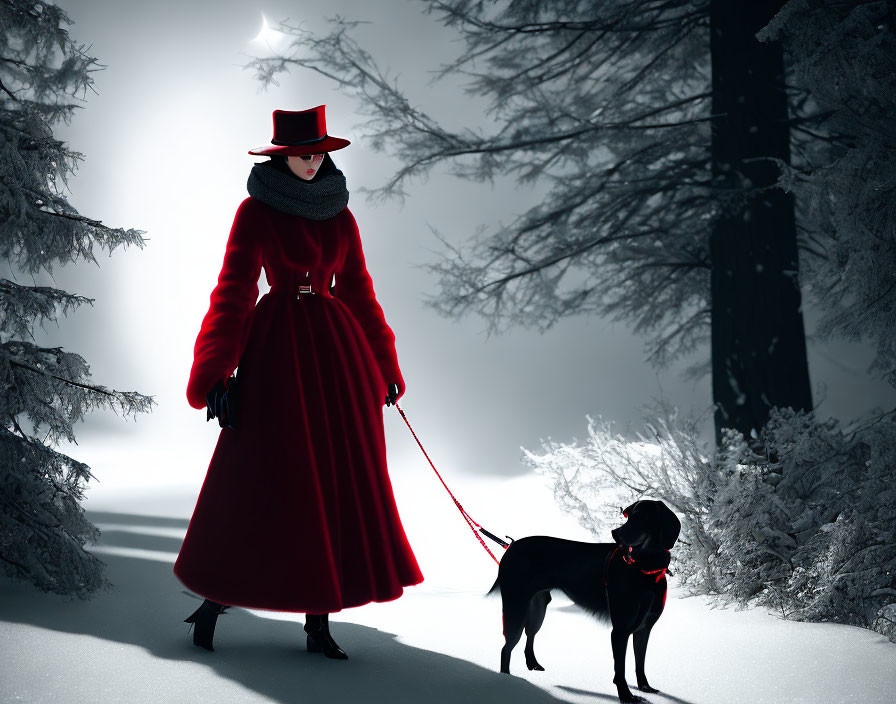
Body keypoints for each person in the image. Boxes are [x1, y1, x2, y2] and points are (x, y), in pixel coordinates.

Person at [174, 105, 423, 659]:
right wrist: (216, 373)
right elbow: (234, 291)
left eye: (320, 154)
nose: (313, 163)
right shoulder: (255, 212)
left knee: (337, 482)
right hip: (278, 352)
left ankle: (319, 623)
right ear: (282, 156)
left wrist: (383, 366)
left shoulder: (341, 216)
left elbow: (358, 291)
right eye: (303, 154)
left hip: (340, 357)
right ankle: (213, 603)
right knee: (264, 480)